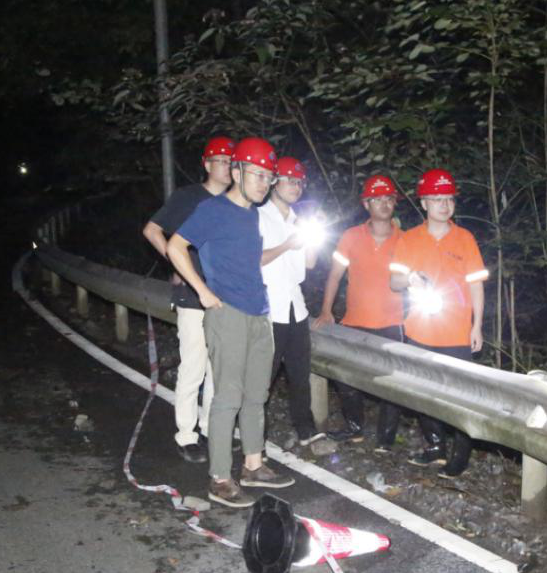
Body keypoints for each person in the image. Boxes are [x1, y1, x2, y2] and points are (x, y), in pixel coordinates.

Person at [167, 136, 296, 508]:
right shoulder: (213, 209)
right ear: (237, 172)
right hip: (228, 314)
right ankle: (220, 478)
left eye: (268, 176)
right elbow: (175, 246)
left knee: (257, 395)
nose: (263, 182)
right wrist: (203, 292)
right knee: (227, 397)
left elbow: (248, 260)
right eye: (257, 174)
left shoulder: (252, 214)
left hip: (259, 312)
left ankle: (253, 465)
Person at [388, 168, 488, 478]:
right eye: (437, 199)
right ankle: (435, 447)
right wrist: (410, 278)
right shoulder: (409, 239)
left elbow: (476, 285)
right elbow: (394, 282)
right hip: (420, 329)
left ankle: (461, 454)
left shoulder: (465, 238)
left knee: (459, 398)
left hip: (456, 333)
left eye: (449, 199)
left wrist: (477, 325)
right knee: (422, 394)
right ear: (424, 203)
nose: (444, 205)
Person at [142, 136, 233, 463]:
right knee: (193, 365)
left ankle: (210, 429)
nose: (227, 167)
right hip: (193, 295)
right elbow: (152, 230)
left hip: (227, 296)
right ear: (207, 165)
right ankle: (186, 434)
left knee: (218, 370)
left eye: (231, 161)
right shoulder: (188, 197)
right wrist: (176, 263)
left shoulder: (237, 202)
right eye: (221, 161)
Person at [313, 174, 404, 452]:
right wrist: (326, 310)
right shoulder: (351, 236)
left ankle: (386, 439)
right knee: (344, 377)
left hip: (393, 323)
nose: (383, 204)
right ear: (366, 204)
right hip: (355, 321)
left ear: (394, 202)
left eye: (388, 198)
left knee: (391, 384)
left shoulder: (406, 240)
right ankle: (354, 428)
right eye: (377, 199)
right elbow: (334, 275)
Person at [257, 156, 332, 451]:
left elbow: (309, 264)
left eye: (299, 182)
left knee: (300, 374)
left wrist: (312, 236)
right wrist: (288, 244)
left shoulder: (297, 220)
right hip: (268, 307)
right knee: (264, 376)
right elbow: (254, 259)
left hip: (295, 307)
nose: (296, 187)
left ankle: (306, 429)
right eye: (289, 180)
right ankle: (255, 434)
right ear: (274, 182)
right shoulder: (258, 216)